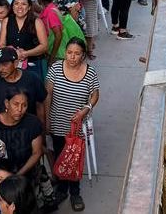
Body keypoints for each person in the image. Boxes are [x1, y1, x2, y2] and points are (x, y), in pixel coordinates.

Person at [45, 38, 100, 211]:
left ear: (83, 55)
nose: (72, 57)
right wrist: (47, 119)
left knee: (75, 158)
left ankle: (75, 192)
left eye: (77, 54)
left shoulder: (90, 73)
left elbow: (95, 95)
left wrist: (86, 109)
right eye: (69, 53)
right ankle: (61, 190)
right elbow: (48, 95)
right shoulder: (55, 69)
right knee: (61, 155)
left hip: (77, 127)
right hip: (58, 122)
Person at [0, 89, 56, 211]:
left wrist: (18, 175)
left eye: (24, 105)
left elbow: (37, 153)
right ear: (6, 103)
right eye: (16, 104)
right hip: (3, 177)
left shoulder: (32, 123)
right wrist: (5, 177)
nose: (20, 109)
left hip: (27, 172)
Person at [0, 47, 48, 118]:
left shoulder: (32, 79)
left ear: (15, 63)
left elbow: (40, 104)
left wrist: (43, 126)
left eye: (5, 64)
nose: (0, 69)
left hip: (28, 128)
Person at [0, 0, 49, 80]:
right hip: (12, 64)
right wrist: (14, 52)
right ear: (12, 6)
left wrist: (25, 53)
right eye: (16, 3)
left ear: (29, 7)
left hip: (33, 63)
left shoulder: (37, 22)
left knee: (33, 90)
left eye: (24, 4)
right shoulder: (6, 21)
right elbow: (1, 44)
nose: (19, 7)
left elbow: (44, 46)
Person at [36, 0, 66, 66]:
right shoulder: (49, 9)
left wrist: (52, 58)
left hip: (57, 55)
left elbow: (58, 35)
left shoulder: (50, 13)